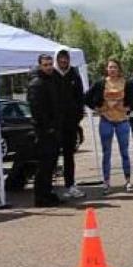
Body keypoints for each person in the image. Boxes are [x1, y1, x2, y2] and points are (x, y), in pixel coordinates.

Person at [84, 59, 133, 194]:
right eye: (110, 67)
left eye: (115, 67)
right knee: (106, 153)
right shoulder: (100, 83)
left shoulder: (126, 83)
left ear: (119, 69)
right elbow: (86, 97)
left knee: (124, 152)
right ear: (106, 69)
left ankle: (128, 181)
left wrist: (128, 108)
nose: (112, 69)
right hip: (106, 121)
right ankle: (106, 183)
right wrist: (96, 108)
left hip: (122, 121)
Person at [27, 54, 62, 207]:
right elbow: (37, 110)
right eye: (45, 65)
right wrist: (48, 128)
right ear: (40, 66)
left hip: (53, 130)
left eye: (50, 64)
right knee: (44, 166)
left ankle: (48, 193)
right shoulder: (36, 83)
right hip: (44, 132)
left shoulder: (52, 81)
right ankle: (40, 196)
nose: (48, 67)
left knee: (51, 165)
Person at [52, 49, 86, 199]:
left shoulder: (74, 74)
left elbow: (80, 97)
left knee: (69, 156)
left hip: (70, 124)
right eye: (61, 58)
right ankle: (49, 188)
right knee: (52, 155)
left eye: (66, 58)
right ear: (57, 59)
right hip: (54, 125)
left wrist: (77, 116)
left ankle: (70, 185)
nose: (64, 61)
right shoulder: (51, 75)